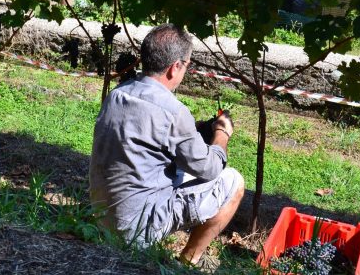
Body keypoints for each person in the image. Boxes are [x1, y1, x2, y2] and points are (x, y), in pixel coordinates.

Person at [89, 23, 245, 268]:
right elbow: (211, 168)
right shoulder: (173, 111)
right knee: (233, 182)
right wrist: (222, 132)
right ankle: (187, 262)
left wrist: (198, 129)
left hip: (101, 217)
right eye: (187, 65)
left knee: (182, 170)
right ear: (175, 67)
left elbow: (154, 138)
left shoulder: (118, 95)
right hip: (137, 229)